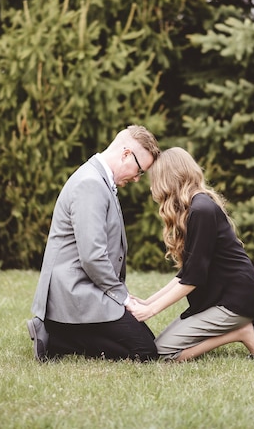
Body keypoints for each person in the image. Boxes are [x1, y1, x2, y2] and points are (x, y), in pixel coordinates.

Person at [27, 125, 161, 362]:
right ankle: (55, 336)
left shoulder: (100, 179)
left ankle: (60, 337)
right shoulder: (90, 183)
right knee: (145, 351)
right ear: (125, 153)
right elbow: (92, 257)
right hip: (74, 295)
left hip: (87, 291)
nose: (138, 178)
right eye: (140, 170)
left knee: (145, 345)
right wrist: (123, 298)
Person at [127, 147, 254, 361]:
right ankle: (242, 330)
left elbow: (193, 279)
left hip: (235, 302)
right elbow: (188, 272)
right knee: (159, 347)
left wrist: (150, 312)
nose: (152, 187)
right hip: (222, 298)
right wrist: (148, 302)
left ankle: (242, 332)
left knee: (162, 353)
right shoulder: (196, 207)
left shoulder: (201, 210)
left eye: (154, 179)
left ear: (169, 179)